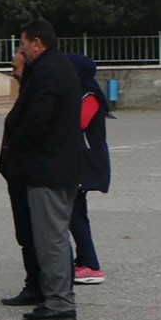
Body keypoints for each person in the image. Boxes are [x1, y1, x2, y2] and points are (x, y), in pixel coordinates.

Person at [0, 19, 87, 320]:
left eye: (23, 44)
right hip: (53, 165)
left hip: (48, 168)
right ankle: (42, 289)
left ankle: (61, 300)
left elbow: (38, 121)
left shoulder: (48, 71)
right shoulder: (55, 67)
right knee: (45, 234)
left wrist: (19, 145)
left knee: (51, 236)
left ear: (37, 43)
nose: (20, 50)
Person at [0, 49, 44, 307]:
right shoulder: (26, 94)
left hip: (29, 174)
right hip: (17, 173)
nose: (13, 74)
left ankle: (43, 285)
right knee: (25, 234)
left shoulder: (35, 95)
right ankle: (33, 284)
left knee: (37, 233)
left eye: (15, 68)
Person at [67, 53, 110, 285]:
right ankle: (84, 261)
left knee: (75, 215)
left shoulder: (90, 95)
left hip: (87, 162)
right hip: (80, 160)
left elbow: (79, 122)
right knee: (76, 213)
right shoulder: (80, 92)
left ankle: (91, 266)